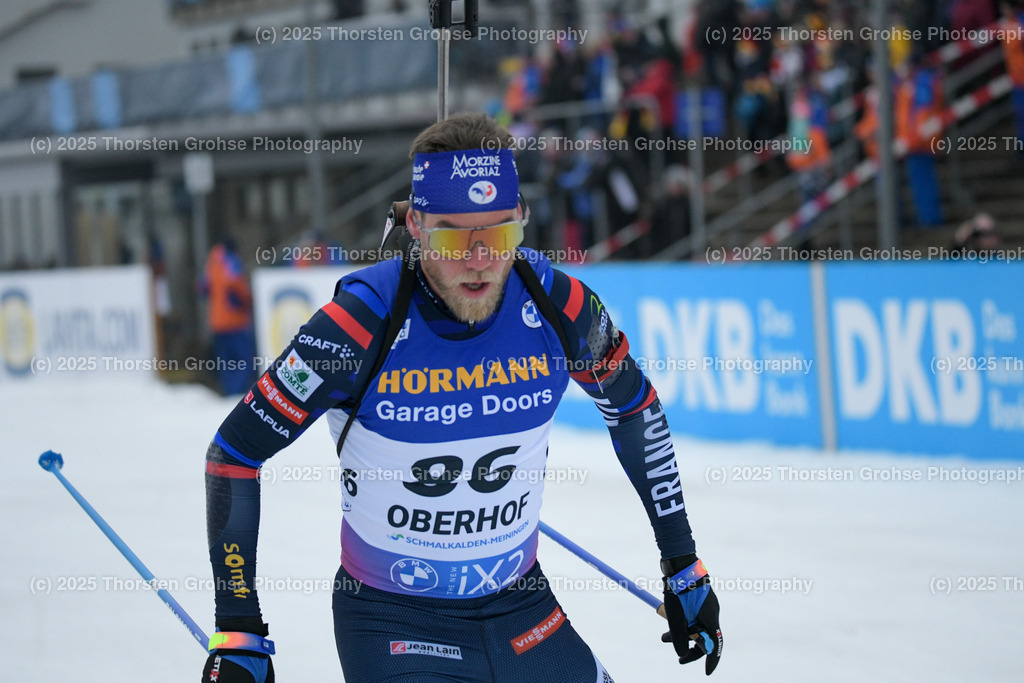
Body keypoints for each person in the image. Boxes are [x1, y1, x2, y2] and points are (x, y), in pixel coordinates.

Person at [200, 113, 722, 683]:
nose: (479, 259)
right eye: (453, 237)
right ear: (417, 224)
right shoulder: (360, 323)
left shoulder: (556, 304)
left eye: (499, 234)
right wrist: (240, 628)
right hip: (393, 621)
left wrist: (683, 563)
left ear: (522, 219)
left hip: (524, 612)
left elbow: (636, 407)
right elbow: (235, 453)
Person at [200, 238, 257, 395]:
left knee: (227, 362)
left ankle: (230, 391)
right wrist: (249, 298)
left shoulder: (211, 264)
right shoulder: (232, 262)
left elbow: (202, 288)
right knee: (244, 360)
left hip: (217, 323)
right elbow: (238, 288)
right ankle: (237, 394)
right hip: (235, 322)